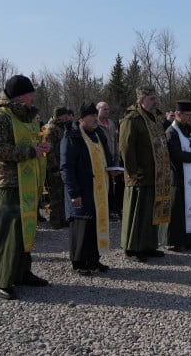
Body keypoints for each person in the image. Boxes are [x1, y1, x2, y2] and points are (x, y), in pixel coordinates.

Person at [0, 75, 51, 300]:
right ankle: (2, 278)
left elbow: (33, 142)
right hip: (11, 184)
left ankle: (23, 272)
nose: (33, 98)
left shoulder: (29, 117)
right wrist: (31, 151)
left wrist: (42, 147)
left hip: (30, 183)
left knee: (26, 231)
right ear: (20, 96)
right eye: (30, 94)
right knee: (9, 233)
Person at [61, 102, 118, 276]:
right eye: (91, 116)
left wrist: (111, 169)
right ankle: (79, 262)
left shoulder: (99, 133)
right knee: (81, 226)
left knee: (95, 225)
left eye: (95, 115)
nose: (95, 118)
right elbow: (67, 167)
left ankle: (93, 259)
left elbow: (105, 157)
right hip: (82, 189)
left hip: (98, 189)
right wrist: (74, 192)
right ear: (82, 119)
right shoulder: (72, 136)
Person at [119, 86, 172, 262]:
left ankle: (149, 245)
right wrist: (132, 171)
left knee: (151, 212)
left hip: (155, 175)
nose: (156, 101)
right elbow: (126, 148)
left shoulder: (155, 118)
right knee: (138, 214)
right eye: (151, 98)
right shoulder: (132, 119)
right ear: (141, 100)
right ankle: (133, 248)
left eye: (156, 98)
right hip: (139, 176)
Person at [160, 100, 191, 251]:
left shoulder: (188, 129)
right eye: (187, 115)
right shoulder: (171, 132)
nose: (190, 117)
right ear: (178, 114)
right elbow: (175, 154)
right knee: (177, 211)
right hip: (178, 178)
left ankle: (188, 238)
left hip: (190, 174)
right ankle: (174, 241)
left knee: (188, 209)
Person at [43, 106, 70, 229]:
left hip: (63, 166)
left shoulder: (62, 127)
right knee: (54, 195)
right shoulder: (50, 129)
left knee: (62, 194)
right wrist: (54, 168)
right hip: (55, 167)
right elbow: (49, 151)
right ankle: (55, 221)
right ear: (59, 115)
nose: (67, 117)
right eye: (65, 115)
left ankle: (62, 218)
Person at [97, 101, 122, 220]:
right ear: (98, 110)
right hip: (101, 160)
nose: (107, 111)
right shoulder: (95, 124)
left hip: (112, 159)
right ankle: (104, 211)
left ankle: (113, 209)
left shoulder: (111, 123)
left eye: (108, 109)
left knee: (113, 187)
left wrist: (117, 158)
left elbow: (115, 142)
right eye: (104, 109)